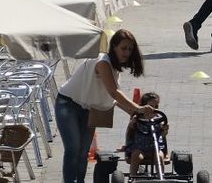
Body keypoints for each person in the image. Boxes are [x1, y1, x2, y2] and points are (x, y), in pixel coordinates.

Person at [56, 30, 156, 183]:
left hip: (88, 109)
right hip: (68, 103)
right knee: (73, 149)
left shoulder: (114, 69)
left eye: (130, 49)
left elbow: (112, 97)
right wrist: (138, 107)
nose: (127, 52)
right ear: (114, 46)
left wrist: (134, 112)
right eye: (123, 48)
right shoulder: (102, 61)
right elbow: (114, 92)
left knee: (83, 151)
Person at [124, 92, 167, 177]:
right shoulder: (137, 118)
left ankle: (161, 176)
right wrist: (132, 124)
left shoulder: (159, 118)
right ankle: (133, 177)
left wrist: (165, 129)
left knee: (160, 157)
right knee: (137, 156)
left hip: (155, 147)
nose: (154, 109)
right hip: (139, 147)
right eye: (151, 107)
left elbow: (163, 135)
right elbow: (130, 130)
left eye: (156, 106)